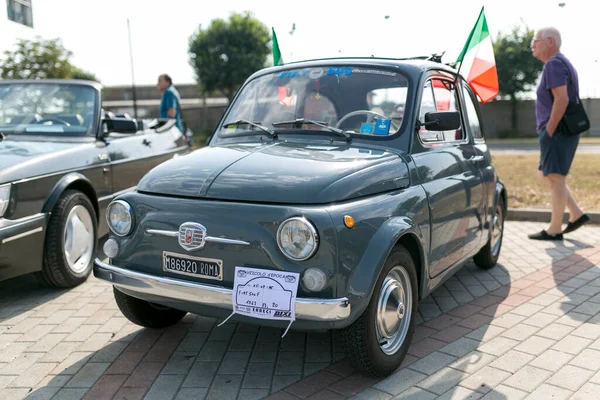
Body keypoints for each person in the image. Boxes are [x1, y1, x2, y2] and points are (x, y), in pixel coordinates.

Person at [528, 26, 589, 241]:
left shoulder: (553, 64)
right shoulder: (561, 62)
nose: (532, 45)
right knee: (548, 175)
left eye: (536, 40)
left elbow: (562, 99)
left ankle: (554, 229)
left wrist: (550, 130)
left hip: (557, 132)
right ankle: (576, 214)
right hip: (561, 132)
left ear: (550, 41)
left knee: (555, 178)